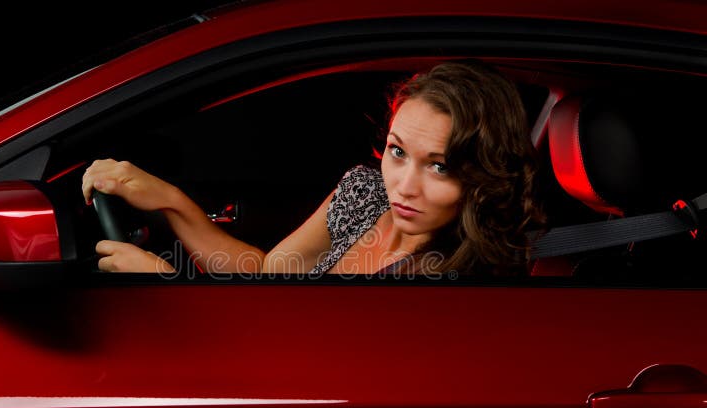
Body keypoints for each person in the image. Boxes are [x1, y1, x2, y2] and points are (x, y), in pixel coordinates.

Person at [81, 59, 546, 277]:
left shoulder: (457, 275)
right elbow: (265, 274)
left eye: (440, 167)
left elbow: (290, 350)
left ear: (482, 175)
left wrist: (166, 283)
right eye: (398, 152)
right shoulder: (364, 193)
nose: (403, 186)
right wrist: (170, 200)